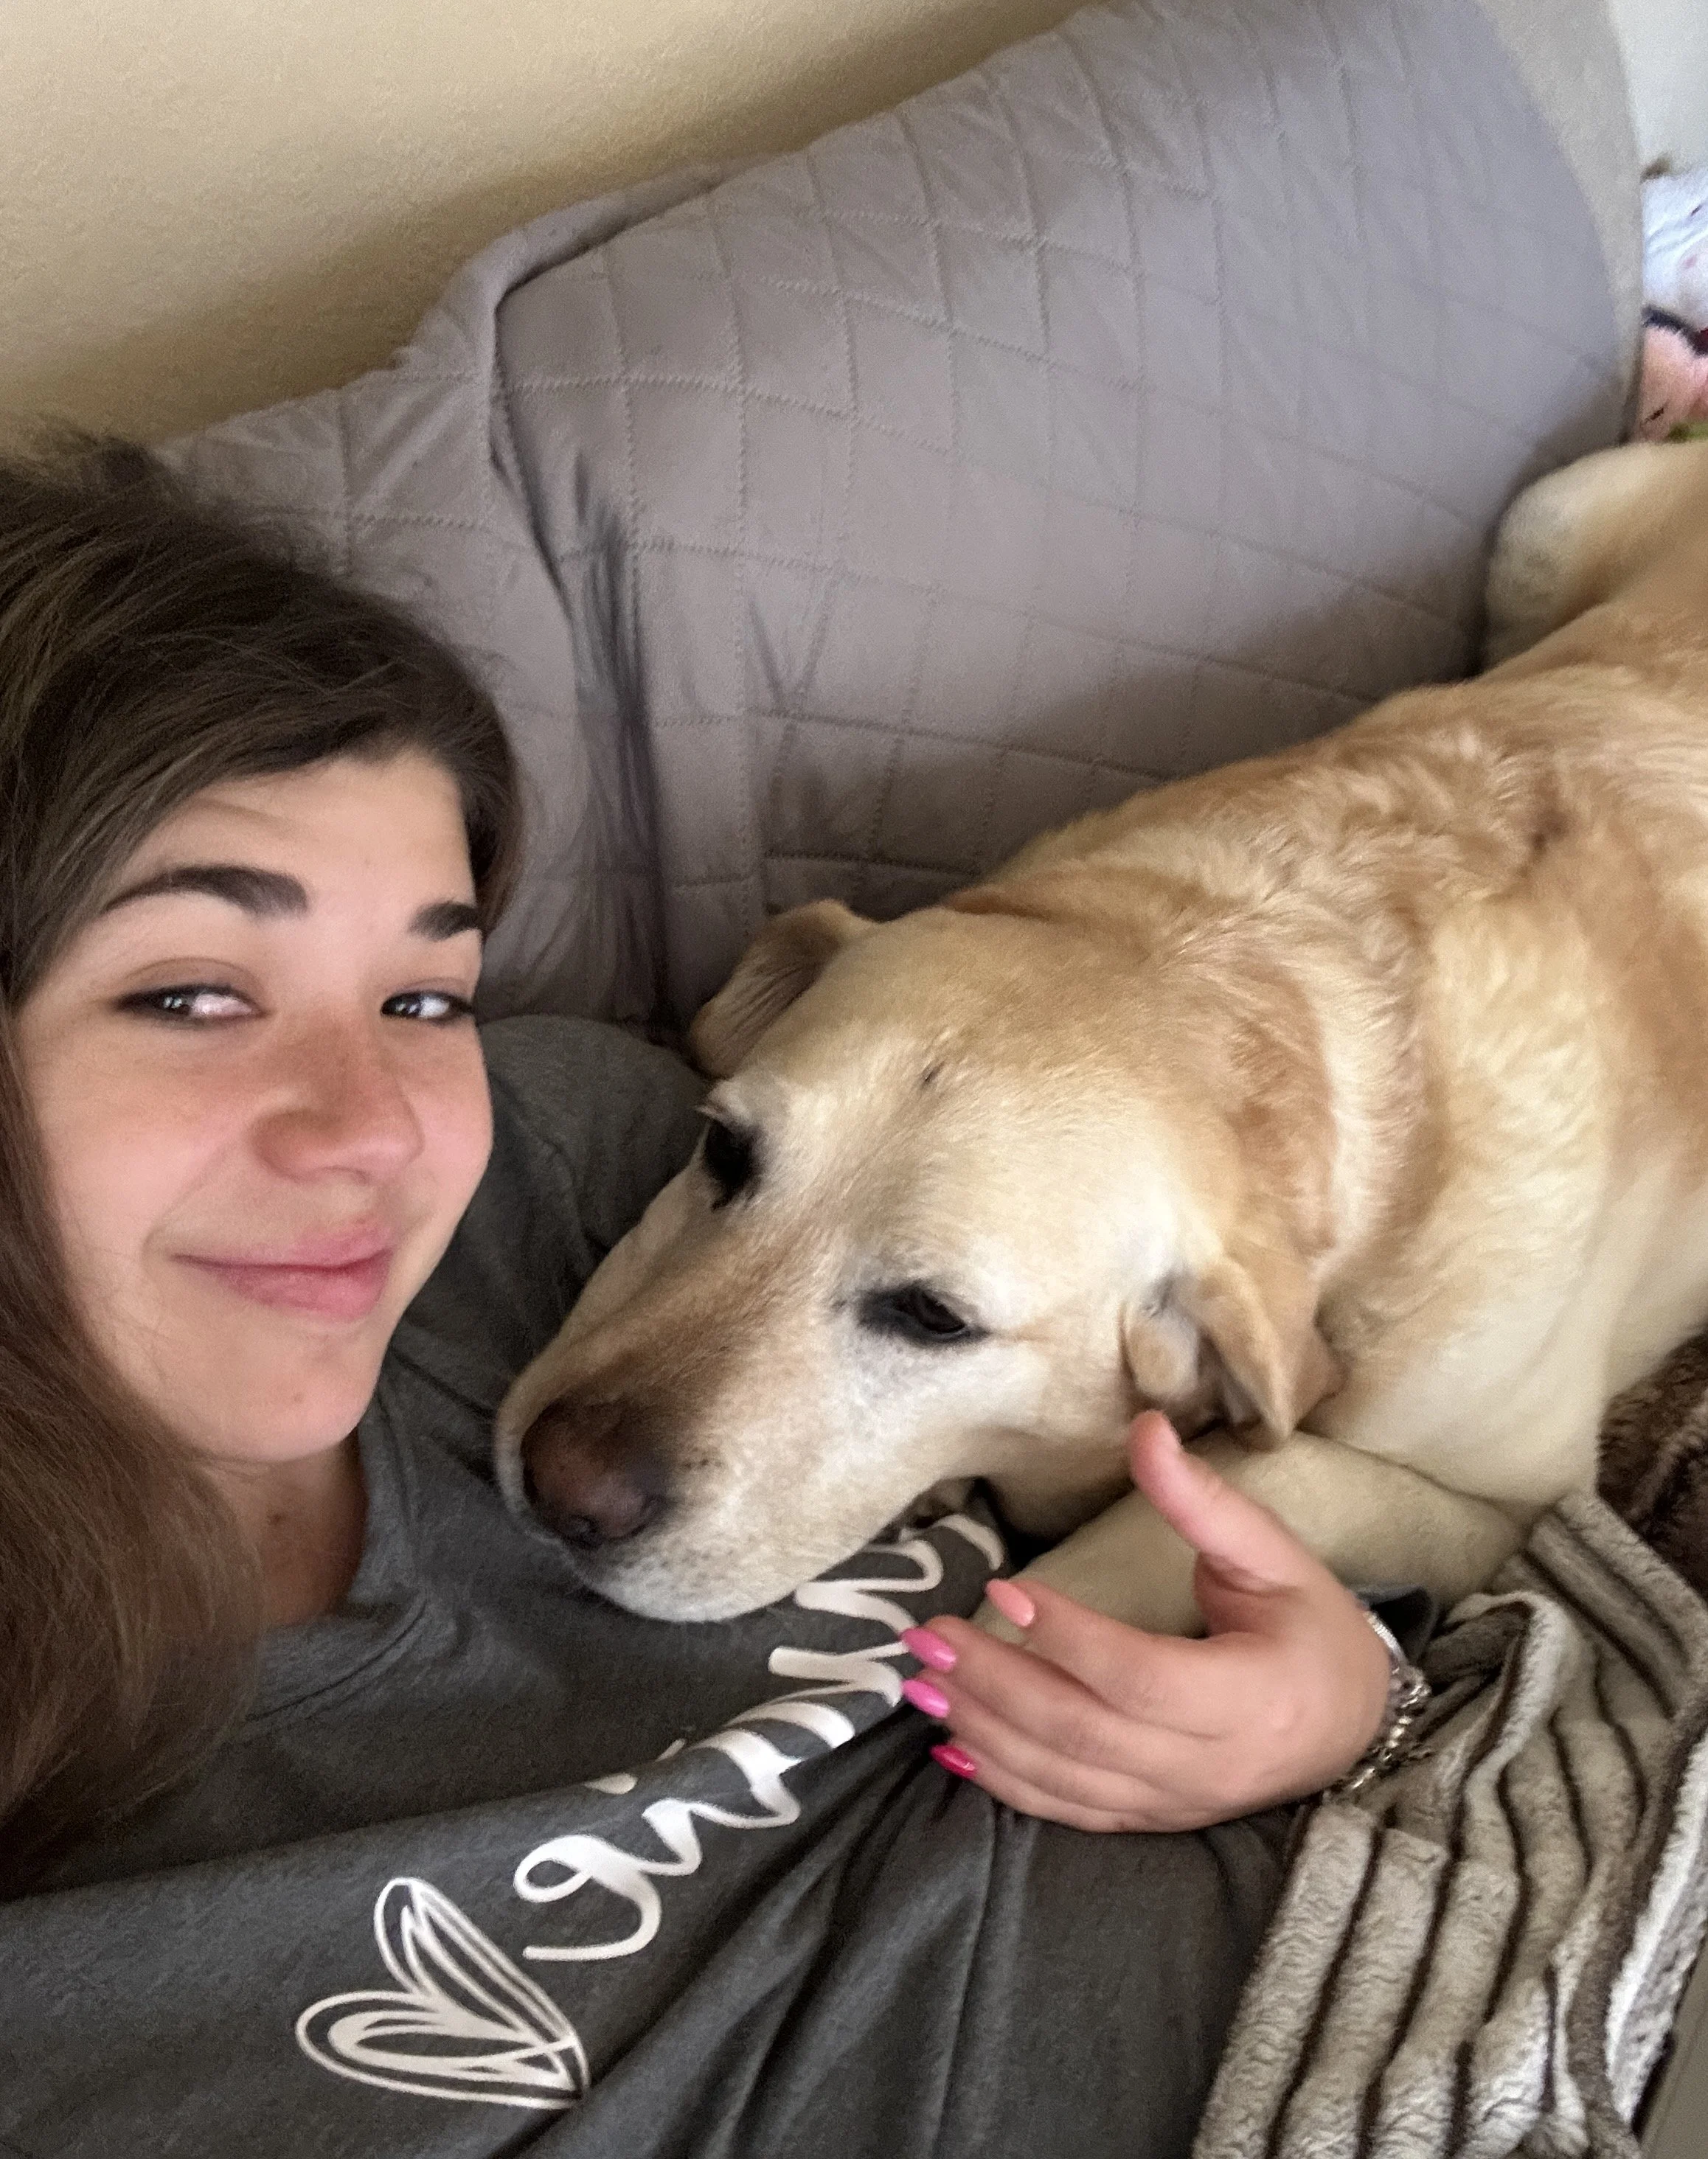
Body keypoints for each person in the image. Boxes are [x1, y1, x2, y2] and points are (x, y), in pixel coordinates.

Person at [0, 437, 1400, 2159]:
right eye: (197, 993)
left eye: (425, 997)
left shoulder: (576, 1155)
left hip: (1443, 1913)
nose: (376, 1132)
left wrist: (1335, 1701)